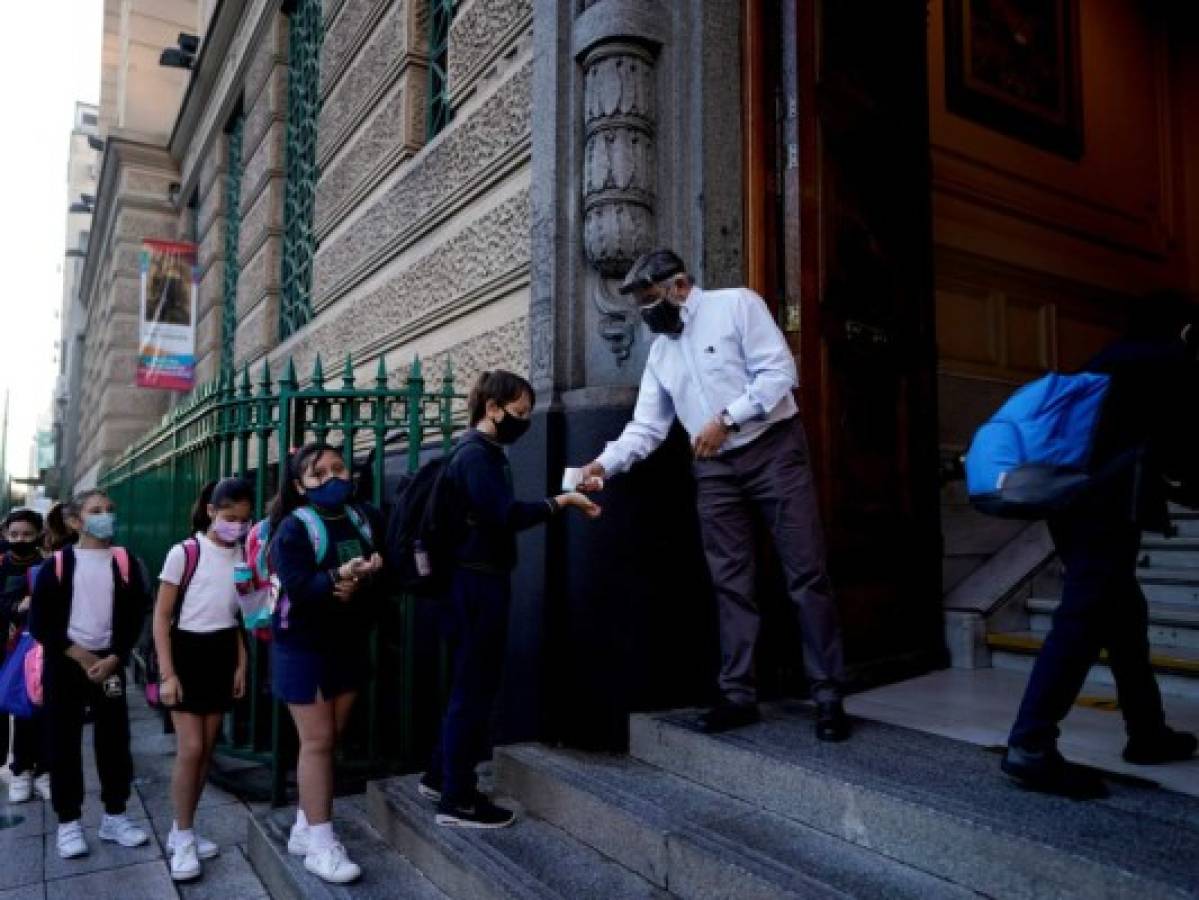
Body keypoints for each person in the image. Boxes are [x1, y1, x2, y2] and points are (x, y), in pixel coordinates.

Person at [572, 249, 849, 740]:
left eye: (651, 298)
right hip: (714, 471)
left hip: (774, 451)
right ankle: (738, 694)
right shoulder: (660, 353)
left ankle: (828, 695)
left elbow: (781, 373)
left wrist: (727, 420)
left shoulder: (737, 306)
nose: (646, 312)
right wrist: (602, 465)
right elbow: (647, 428)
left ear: (680, 285)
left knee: (806, 572)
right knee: (729, 580)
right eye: (639, 304)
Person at [1002, 292, 1199, 799]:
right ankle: (1030, 744)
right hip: (1104, 506)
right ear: (1181, 328)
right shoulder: (1168, 362)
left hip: (1068, 503)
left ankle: (1147, 732)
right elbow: (1183, 452)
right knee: (1085, 617)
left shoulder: (1107, 360)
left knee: (1123, 614)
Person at [420, 370, 601, 829]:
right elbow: (502, 516)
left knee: (466, 684)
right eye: (518, 413)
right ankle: (458, 799)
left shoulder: (475, 452)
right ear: (492, 408)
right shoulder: (477, 457)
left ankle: (441, 776)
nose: (523, 422)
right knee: (474, 689)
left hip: (469, 582)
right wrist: (562, 502)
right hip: (477, 586)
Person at [268, 443, 385, 884]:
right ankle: (321, 843)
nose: (334, 478)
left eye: (339, 468)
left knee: (329, 738)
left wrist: (367, 575)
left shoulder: (364, 516)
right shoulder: (294, 528)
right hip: (304, 644)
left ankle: (304, 823)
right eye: (319, 473)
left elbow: (383, 569)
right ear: (300, 486)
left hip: (349, 640)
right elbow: (298, 585)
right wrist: (338, 577)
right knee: (316, 740)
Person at [29, 490, 150, 859]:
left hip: (108, 665)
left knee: (114, 738)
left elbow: (135, 614)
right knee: (63, 741)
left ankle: (115, 816)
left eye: (110, 510)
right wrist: (79, 655)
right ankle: (68, 822)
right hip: (66, 663)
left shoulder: (125, 561)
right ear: (75, 521)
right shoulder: (58, 565)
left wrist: (115, 656)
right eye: (96, 511)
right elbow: (40, 623)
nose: (106, 517)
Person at [154, 478, 253, 881]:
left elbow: (238, 616)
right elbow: (161, 616)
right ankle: (183, 835)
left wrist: (241, 665)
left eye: (244, 520)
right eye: (230, 518)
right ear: (211, 511)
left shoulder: (244, 553)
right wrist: (167, 673)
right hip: (186, 653)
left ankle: (186, 828)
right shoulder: (185, 553)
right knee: (191, 749)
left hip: (222, 652)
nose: (237, 526)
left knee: (206, 750)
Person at [0, 509, 51, 803]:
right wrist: (14, 607)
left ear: (38, 535)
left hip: (35, 650)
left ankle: (41, 771)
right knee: (16, 710)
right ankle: (20, 770)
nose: (20, 540)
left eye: (27, 535)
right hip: (6, 649)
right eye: (14, 534)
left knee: (37, 709)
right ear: (6, 535)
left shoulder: (47, 566)